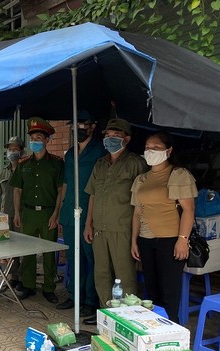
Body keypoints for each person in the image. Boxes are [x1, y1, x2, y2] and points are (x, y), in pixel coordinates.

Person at [84, 118, 148, 325]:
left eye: (116, 136)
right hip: (99, 228)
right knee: (101, 274)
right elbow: (92, 195)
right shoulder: (100, 164)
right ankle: (106, 315)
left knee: (125, 276)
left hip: (123, 229)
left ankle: (127, 320)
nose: (110, 139)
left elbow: (143, 201)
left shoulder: (136, 164)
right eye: (108, 136)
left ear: (127, 139)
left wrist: (138, 236)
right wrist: (88, 223)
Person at [131, 131, 197, 322]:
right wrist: (134, 241)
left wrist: (182, 240)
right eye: (147, 148)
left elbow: (188, 210)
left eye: (156, 148)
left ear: (168, 151)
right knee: (151, 292)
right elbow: (137, 213)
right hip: (145, 240)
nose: (150, 151)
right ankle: (154, 332)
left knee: (169, 292)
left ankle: (171, 333)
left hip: (170, 241)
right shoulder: (141, 179)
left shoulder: (178, 174)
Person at [57, 111, 106, 319]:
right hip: (70, 212)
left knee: (90, 257)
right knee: (73, 256)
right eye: (75, 124)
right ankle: (74, 295)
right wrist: (60, 211)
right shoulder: (69, 154)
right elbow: (66, 183)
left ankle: (90, 300)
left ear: (93, 126)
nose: (79, 128)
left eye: (83, 124)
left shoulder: (100, 152)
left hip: (90, 212)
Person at [10, 117, 64, 303]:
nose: (35, 142)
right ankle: (29, 285)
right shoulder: (24, 164)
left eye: (39, 138)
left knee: (49, 251)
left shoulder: (56, 163)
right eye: (32, 139)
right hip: (28, 213)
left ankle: (49, 287)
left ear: (47, 140)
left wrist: (56, 213)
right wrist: (17, 213)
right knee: (28, 250)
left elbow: (60, 190)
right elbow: (17, 190)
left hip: (48, 213)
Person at [0, 136, 25, 287]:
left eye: (15, 149)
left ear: (21, 151)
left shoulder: (25, 169)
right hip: (5, 215)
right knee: (9, 247)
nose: (12, 152)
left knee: (22, 247)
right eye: (10, 149)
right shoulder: (4, 172)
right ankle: (13, 277)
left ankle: (23, 279)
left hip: (21, 214)